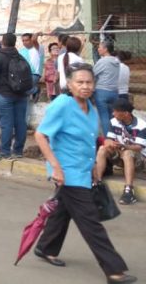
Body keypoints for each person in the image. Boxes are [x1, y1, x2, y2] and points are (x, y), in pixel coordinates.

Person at [34, 63, 136, 284]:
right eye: (79, 82)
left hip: (82, 170)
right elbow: (40, 135)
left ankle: (45, 247)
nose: (85, 86)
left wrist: (102, 147)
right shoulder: (62, 104)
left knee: (63, 211)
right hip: (67, 172)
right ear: (69, 85)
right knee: (90, 221)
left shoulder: (91, 108)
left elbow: (89, 139)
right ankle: (114, 269)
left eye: (89, 82)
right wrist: (57, 168)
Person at [0, 33, 31, 161]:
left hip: (4, 95)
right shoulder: (20, 56)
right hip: (21, 95)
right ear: (15, 42)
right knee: (20, 123)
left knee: (6, 124)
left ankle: (4, 152)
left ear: (3, 42)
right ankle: (18, 151)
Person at [94, 98, 145, 206]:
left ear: (126, 113)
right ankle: (96, 183)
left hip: (138, 160)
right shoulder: (114, 121)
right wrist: (109, 143)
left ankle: (129, 191)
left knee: (127, 153)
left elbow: (138, 147)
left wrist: (123, 146)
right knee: (102, 149)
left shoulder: (141, 125)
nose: (113, 113)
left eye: (116, 111)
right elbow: (108, 139)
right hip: (120, 154)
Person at [93, 40, 121, 135]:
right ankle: (116, 136)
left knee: (104, 116)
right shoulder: (116, 61)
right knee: (113, 116)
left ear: (105, 49)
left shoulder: (102, 61)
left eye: (100, 47)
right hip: (114, 92)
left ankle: (108, 138)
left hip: (102, 91)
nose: (98, 49)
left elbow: (93, 74)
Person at [20, 32, 42, 102]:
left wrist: (37, 33)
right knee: (20, 90)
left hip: (34, 74)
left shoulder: (38, 48)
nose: (24, 42)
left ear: (31, 40)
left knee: (24, 89)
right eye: (23, 41)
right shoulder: (21, 51)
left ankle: (36, 90)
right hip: (23, 74)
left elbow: (34, 40)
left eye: (27, 40)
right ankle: (34, 91)